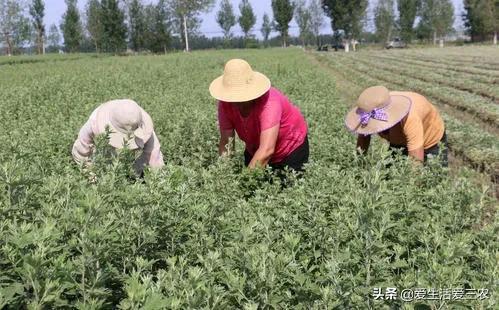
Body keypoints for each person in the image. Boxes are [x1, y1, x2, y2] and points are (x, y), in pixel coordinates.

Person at [209, 59, 309, 172]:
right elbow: (227, 142)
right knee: (255, 183)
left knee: (287, 187)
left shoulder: (269, 102)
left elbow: (266, 150)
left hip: (289, 149)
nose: (236, 101)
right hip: (255, 147)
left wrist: (244, 182)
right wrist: (223, 174)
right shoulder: (225, 104)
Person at [345, 86, 448, 166]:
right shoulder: (371, 106)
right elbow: (363, 139)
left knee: (432, 179)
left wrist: (411, 190)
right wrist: (359, 163)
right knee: (390, 174)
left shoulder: (410, 118)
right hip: (398, 139)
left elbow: (416, 162)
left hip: (430, 140)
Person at [72, 99, 164, 175]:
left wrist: (158, 182)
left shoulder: (144, 128)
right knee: (100, 164)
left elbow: (155, 158)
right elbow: (80, 151)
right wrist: (91, 174)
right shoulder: (94, 122)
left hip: (131, 161)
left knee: (138, 166)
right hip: (102, 158)